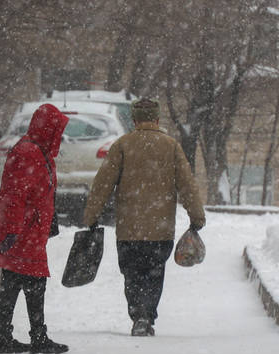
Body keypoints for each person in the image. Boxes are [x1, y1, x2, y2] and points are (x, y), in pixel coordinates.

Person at [83, 97, 206, 337]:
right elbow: (187, 185)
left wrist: (91, 216)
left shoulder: (122, 145)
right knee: (154, 271)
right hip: (160, 229)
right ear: (157, 119)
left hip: (129, 228)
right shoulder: (170, 146)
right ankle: (147, 314)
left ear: (134, 119)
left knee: (132, 273)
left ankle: (138, 313)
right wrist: (196, 217)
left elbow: (102, 184)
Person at [0, 103, 69, 354]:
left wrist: (50, 220)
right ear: (47, 128)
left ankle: (5, 337)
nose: (59, 135)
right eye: (57, 129)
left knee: (15, 280)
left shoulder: (40, 151)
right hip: (23, 231)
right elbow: (15, 195)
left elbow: (42, 191)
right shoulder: (29, 152)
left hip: (31, 230)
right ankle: (35, 337)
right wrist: (13, 230)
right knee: (33, 282)